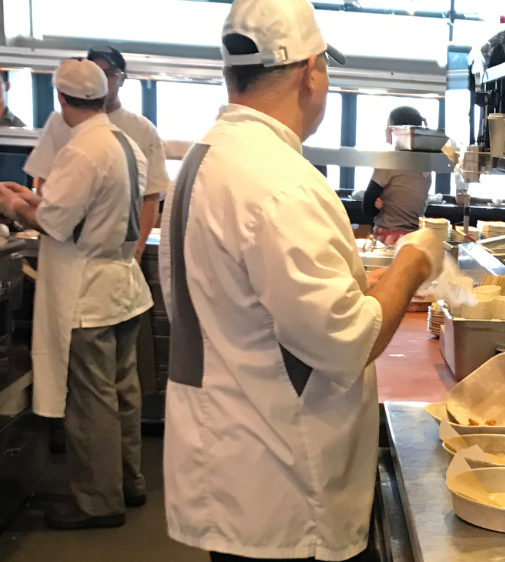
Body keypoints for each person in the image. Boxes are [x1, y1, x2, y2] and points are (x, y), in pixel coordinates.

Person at [159, 1, 444, 560]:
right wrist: (414, 261)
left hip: (229, 453)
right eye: (327, 70)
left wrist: (370, 278)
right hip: (283, 481)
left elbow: (257, 301)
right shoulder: (281, 183)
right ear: (310, 70)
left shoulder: (205, 158)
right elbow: (347, 342)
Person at [0, 58, 152, 531]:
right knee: (122, 394)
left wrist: (14, 204)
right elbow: (86, 211)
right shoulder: (123, 144)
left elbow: (58, 223)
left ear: (61, 100)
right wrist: (32, 198)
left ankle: (100, 500)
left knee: (91, 401)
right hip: (120, 287)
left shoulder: (83, 149)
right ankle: (127, 481)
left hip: (87, 294)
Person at [24, 46, 170, 261]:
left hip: (109, 250)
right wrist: (39, 210)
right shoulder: (58, 123)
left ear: (123, 78)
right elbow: (44, 183)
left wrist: (138, 250)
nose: (102, 79)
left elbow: (151, 196)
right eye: (96, 72)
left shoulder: (140, 129)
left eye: (109, 73)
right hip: (63, 244)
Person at [363, 106, 433, 246]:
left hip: (390, 237)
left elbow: (367, 206)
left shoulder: (390, 160)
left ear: (397, 130)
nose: (385, 130)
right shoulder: (425, 163)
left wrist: (375, 203)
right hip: (416, 239)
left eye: (388, 126)